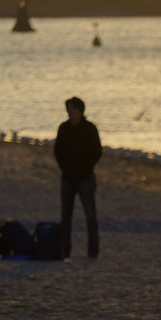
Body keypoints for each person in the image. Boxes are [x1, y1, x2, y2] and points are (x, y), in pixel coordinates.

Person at [54, 96, 103, 258]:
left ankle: (93, 251)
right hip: (67, 177)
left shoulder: (89, 128)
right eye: (68, 108)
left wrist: (87, 167)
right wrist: (64, 167)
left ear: (80, 110)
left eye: (72, 108)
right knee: (65, 217)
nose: (70, 111)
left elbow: (97, 151)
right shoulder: (63, 128)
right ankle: (64, 250)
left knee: (90, 216)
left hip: (85, 177)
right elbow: (58, 151)